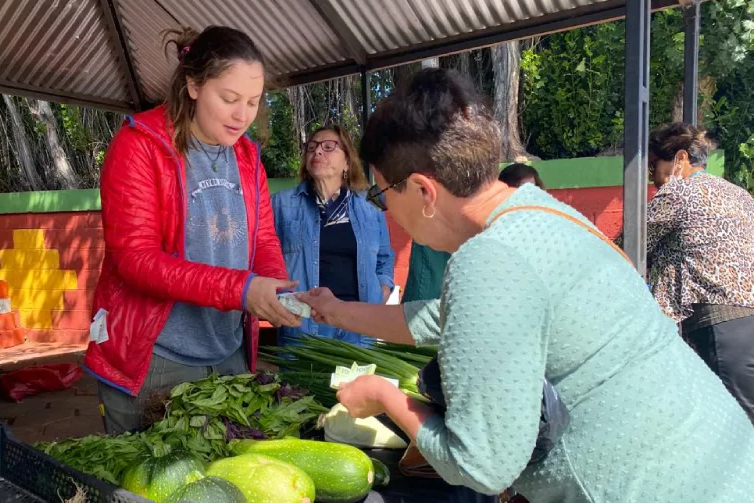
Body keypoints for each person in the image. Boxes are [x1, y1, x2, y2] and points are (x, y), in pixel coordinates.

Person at [300, 69, 754, 501]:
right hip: (725, 460)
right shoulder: (541, 213)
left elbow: (481, 465)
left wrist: (384, 396)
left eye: (381, 193)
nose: (384, 211)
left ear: (423, 191)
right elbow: (444, 318)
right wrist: (335, 310)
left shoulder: (489, 257)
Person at [85, 26, 300, 435]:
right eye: (230, 99)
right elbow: (136, 260)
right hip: (157, 355)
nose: (242, 115)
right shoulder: (140, 145)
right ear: (194, 86)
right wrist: (241, 290)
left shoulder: (247, 156)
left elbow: (262, 239)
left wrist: (278, 289)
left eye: (253, 101)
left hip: (228, 349)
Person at [646, 122, 754, 421]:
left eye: (654, 166)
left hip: (720, 326)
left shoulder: (678, 191)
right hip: (747, 321)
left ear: (680, 158)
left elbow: (631, 243)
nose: (652, 178)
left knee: (733, 426)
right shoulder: (739, 194)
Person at [271, 125, 394, 347]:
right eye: (312, 147)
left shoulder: (369, 206)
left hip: (359, 326)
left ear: (347, 162)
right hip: (303, 327)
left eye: (328, 147)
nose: (318, 151)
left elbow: (384, 258)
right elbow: (263, 257)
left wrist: (382, 293)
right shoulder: (281, 204)